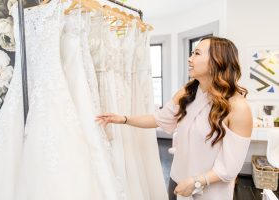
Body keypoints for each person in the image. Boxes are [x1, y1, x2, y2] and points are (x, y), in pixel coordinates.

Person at [96, 36, 253, 200]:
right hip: (177, 181)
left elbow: (230, 167)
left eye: (197, 54)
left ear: (217, 61)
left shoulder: (238, 107)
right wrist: (124, 119)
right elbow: (159, 119)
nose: (189, 58)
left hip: (210, 192)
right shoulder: (188, 92)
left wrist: (196, 182)